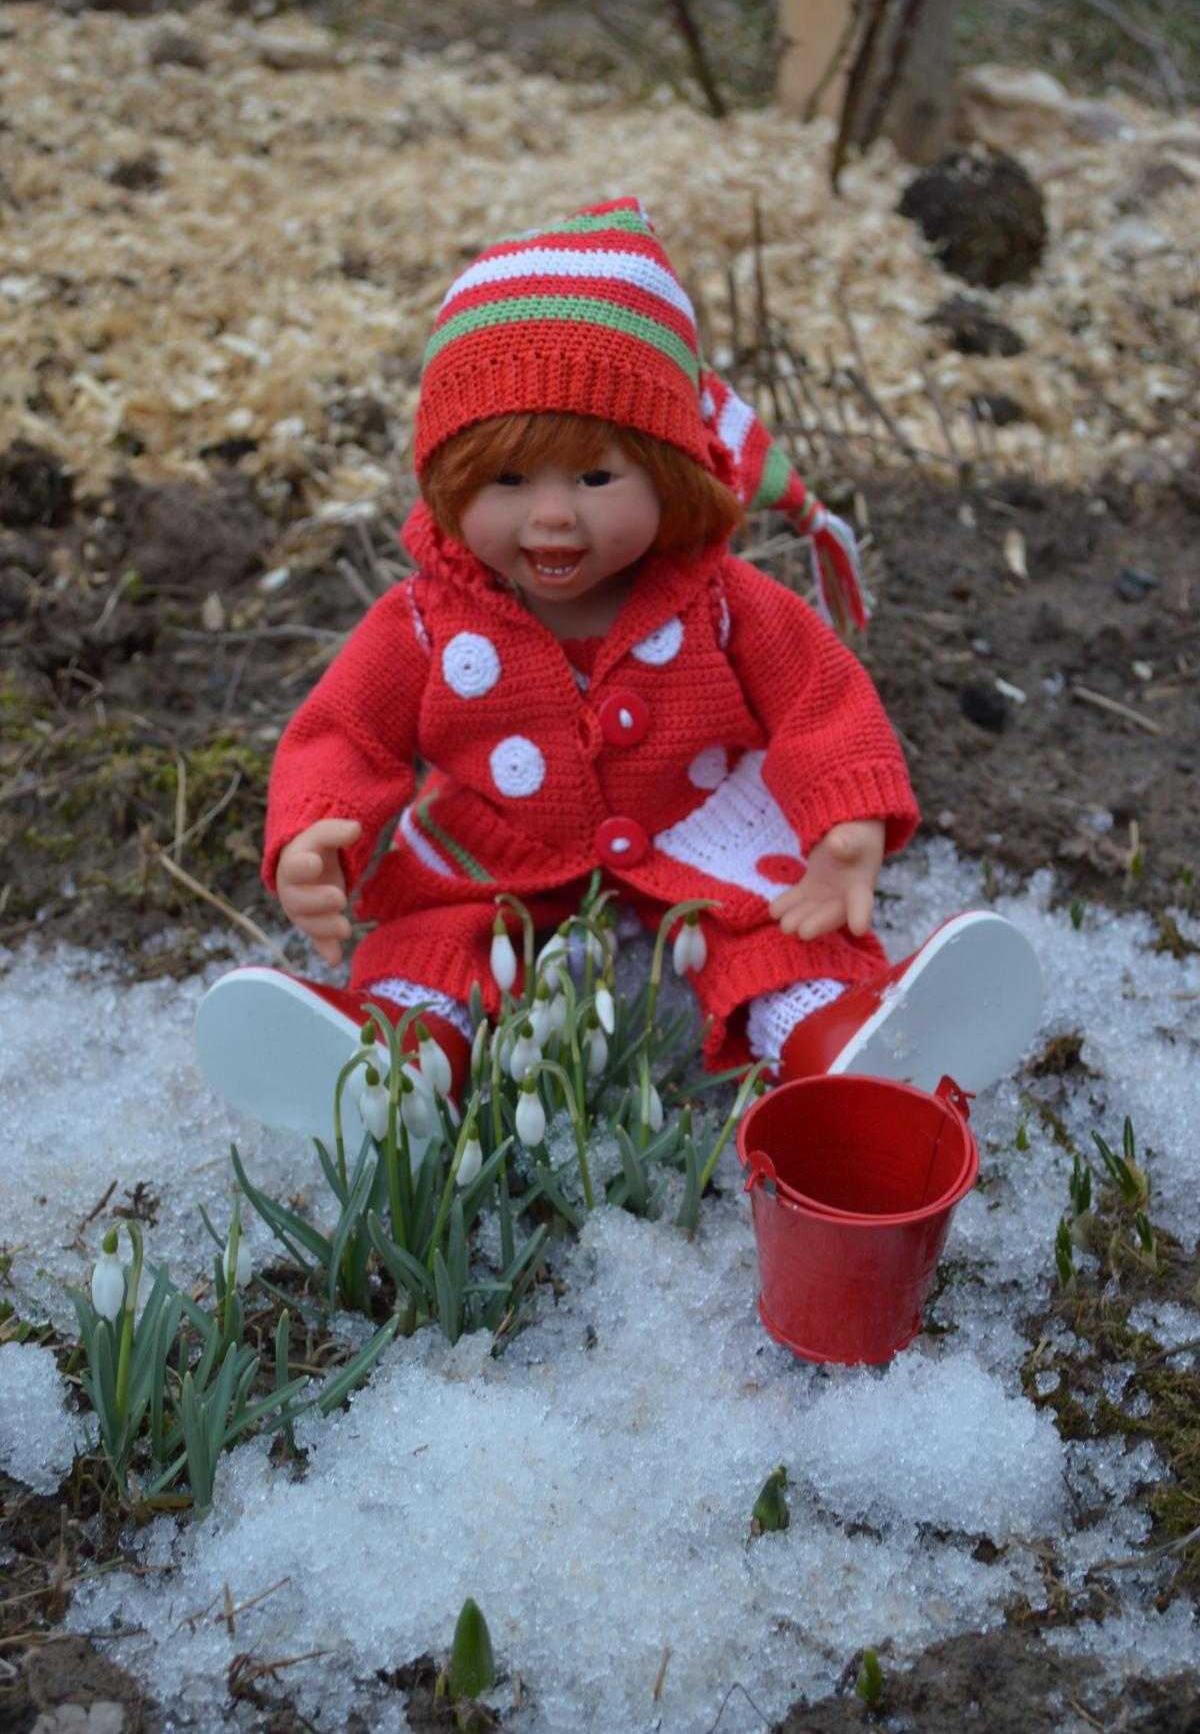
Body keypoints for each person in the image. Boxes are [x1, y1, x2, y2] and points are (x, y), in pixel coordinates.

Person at [194, 196, 1041, 1137]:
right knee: (432, 934)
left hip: (701, 823)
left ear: (671, 473)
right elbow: (347, 729)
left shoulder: (717, 602)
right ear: (446, 481)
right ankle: (403, 1061)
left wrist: (843, 820)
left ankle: (837, 1044)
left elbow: (818, 692)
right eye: (506, 481)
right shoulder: (426, 623)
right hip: (495, 849)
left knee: (779, 926)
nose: (551, 518)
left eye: (596, 478)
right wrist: (320, 834)